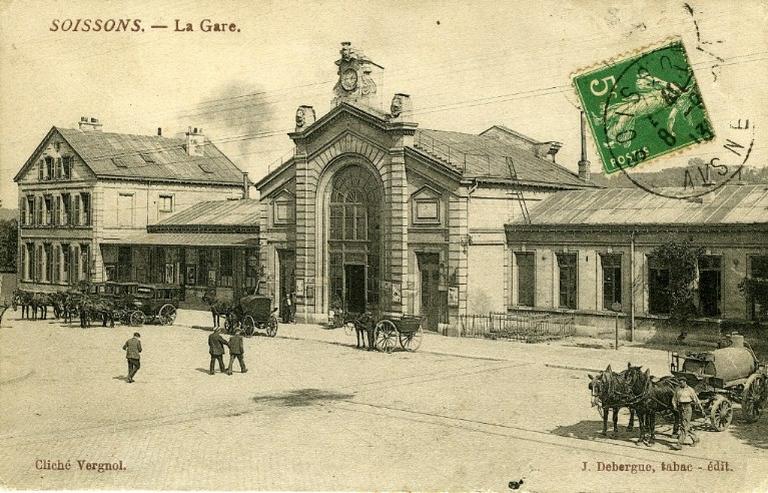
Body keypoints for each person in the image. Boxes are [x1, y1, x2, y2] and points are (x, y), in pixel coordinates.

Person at [671, 378, 702, 450]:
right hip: (680, 408)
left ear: (685, 382)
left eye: (681, 383)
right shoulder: (677, 389)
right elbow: (674, 398)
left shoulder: (690, 390)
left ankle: (679, 444)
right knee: (685, 425)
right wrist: (674, 405)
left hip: (687, 408)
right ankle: (695, 438)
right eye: (679, 383)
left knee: (683, 426)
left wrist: (701, 409)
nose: (680, 384)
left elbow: (696, 399)